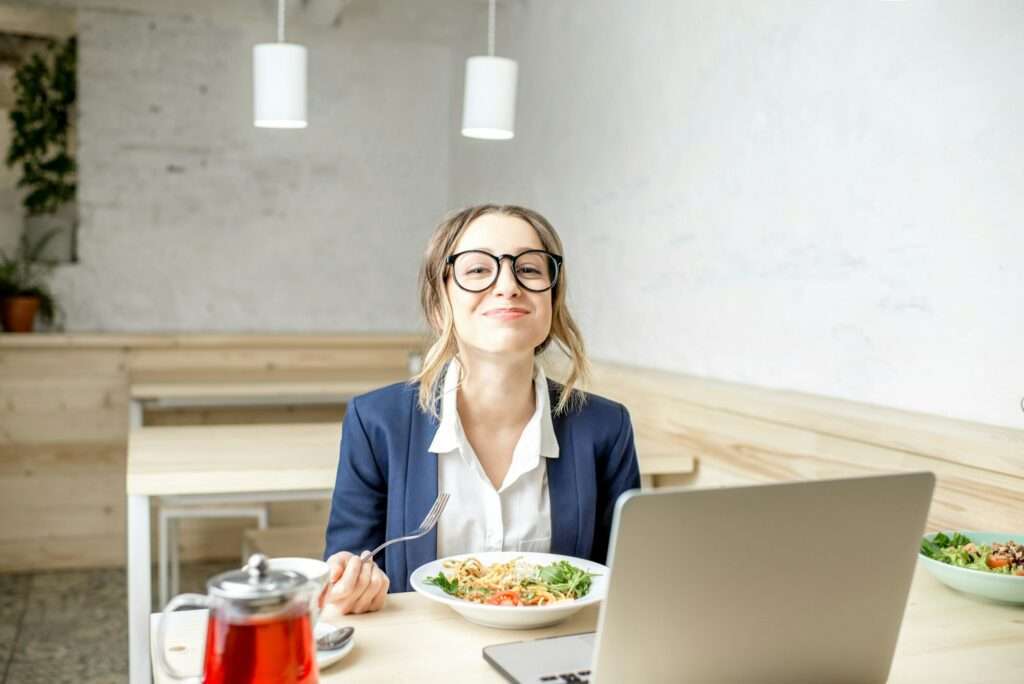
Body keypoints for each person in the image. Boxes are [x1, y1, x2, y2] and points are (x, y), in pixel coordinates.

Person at [323, 204, 640, 615]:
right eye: (476, 270)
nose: (508, 285)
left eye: (529, 269)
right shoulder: (377, 422)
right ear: (439, 306)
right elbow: (350, 573)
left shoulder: (606, 427)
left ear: (552, 302)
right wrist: (348, 588)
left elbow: (621, 585)